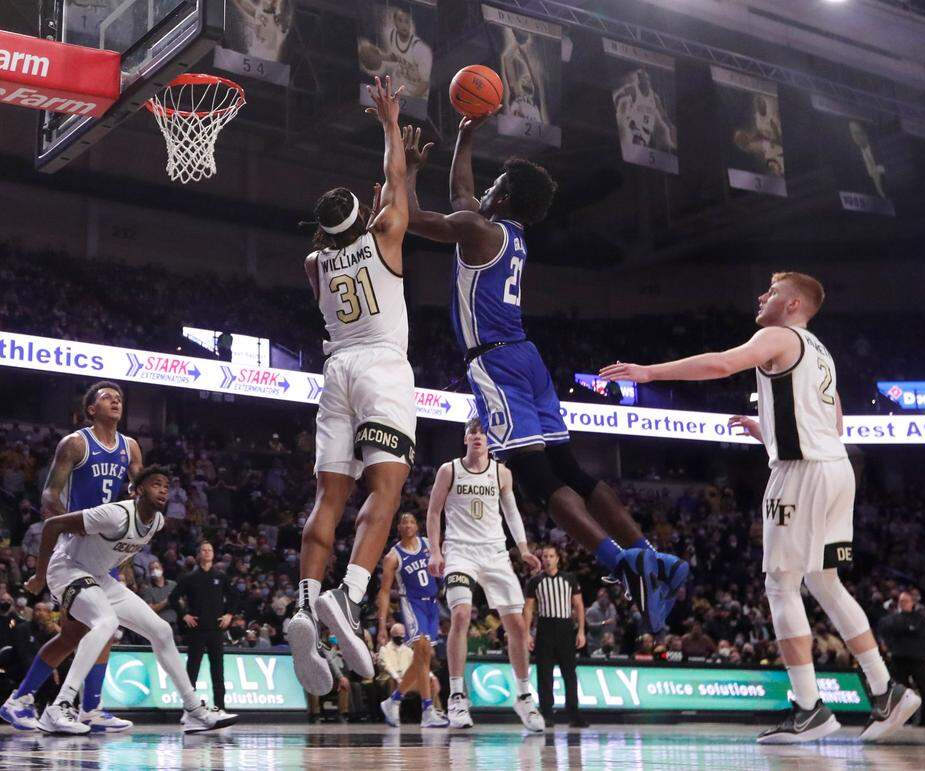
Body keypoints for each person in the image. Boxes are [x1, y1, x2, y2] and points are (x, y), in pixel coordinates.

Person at [600, 271, 921, 744]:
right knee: (824, 582)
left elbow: (721, 364)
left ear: (792, 305)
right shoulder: (820, 351)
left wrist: (649, 373)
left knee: (780, 584)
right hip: (836, 470)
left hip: (801, 473)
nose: (760, 296)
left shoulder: (778, 335)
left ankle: (809, 709)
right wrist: (767, 430)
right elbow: (833, 422)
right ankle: (885, 689)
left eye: (771, 292)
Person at [400, 121, 686, 633]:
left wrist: (409, 170)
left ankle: (623, 566)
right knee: (571, 470)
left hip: (496, 362)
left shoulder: (477, 229)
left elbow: (413, 219)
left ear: (504, 196)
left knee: (537, 479)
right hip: (528, 357)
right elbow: (463, 195)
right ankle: (650, 555)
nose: (484, 190)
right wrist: (466, 134)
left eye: (494, 185)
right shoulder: (509, 234)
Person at [285, 76, 416, 696]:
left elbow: (365, 214)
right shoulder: (386, 234)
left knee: (328, 498)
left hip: (335, 371)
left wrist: (371, 204)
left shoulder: (315, 262)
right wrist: (389, 123)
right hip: (381, 368)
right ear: (365, 216)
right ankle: (350, 594)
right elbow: (394, 179)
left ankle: (304, 606)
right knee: (385, 490)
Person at [7, 466, 230, 734]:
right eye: (156, 484)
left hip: (99, 576)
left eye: (166, 486)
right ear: (138, 490)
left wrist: (120, 571)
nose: (163, 490)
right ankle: (60, 706)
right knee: (106, 622)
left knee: (161, 630)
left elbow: (120, 548)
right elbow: (53, 525)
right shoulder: (116, 514)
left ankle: (193, 710)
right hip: (67, 568)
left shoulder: (157, 522)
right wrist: (40, 575)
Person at [0, 381, 142, 733]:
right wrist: (72, 523)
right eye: (107, 398)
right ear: (91, 409)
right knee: (85, 630)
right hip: (75, 548)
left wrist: (134, 518)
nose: (116, 402)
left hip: (105, 550)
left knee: (88, 631)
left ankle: (81, 707)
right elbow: (49, 494)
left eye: (119, 398)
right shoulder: (76, 443)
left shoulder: (130, 447)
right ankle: (33, 701)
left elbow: (141, 493)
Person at [424, 418, 543, 731]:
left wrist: (523, 549)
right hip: (459, 552)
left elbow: (511, 512)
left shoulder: (502, 472)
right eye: (473, 432)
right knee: (461, 615)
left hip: (495, 554)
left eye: (483, 433)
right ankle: (457, 697)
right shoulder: (449, 470)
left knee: (517, 625)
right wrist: (435, 551)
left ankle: (524, 697)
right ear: (465, 438)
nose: (477, 436)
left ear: (490, 440)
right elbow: (433, 512)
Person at [375, 512, 449, 728]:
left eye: (412, 522)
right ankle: (427, 710)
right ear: (398, 527)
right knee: (423, 652)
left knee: (422, 658)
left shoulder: (428, 544)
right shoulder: (393, 556)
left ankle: (394, 700)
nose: (408, 525)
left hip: (432, 605)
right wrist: (382, 624)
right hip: (412, 604)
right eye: (404, 522)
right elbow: (384, 591)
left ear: (417, 526)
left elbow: (442, 565)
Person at [164, 542, 238, 720]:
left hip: (216, 629)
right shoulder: (189, 577)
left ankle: (220, 708)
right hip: (197, 629)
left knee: (218, 669)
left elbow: (234, 596)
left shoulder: (220, 576)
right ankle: (188, 709)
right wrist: (184, 615)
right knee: (192, 670)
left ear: (213, 554)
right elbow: (173, 597)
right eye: (204, 550)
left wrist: (229, 614)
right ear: (199, 554)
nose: (207, 552)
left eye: (210, 550)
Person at [524, 545, 587, 727]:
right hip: (545, 627)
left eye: (551, 556)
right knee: (544, 673)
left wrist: (581, 631)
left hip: (565, 627)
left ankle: (573, 713)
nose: (548, 559)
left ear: (558, 558)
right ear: (542, 559)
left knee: (570, 672)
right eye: (545, 556)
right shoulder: (535, 581)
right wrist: (527, 633)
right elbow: (528, 609)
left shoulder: (569, 578)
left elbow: (579, 605)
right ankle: (546, 713)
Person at [878, 591, 925, 727]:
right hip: (899, 658)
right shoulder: (891, 619)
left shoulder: (921, 619)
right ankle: (902, 720)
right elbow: (884, 632)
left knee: (924, 689)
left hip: (918, 659)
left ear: (912, 603)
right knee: (901, 691)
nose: (903, 604)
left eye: (906, 601)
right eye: (901, 601)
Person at [359, 6, 432, 100]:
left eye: (406, 21)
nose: (403, 25)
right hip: (395, 91)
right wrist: (376, 57)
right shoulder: (390, 37)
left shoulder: (422, 50)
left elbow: (425, 84)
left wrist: (407, 102)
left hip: (415, 97)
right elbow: (392, 58)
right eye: (400, 21)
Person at [613, 68, 677, 152]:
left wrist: (670, 126)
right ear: (638, 80)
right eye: (640, 79)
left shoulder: (654, 97)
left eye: (644, 79)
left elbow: (663, 115)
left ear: (648, 81)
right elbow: (618, 95)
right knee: (636, 146)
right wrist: (616, 108)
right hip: (634, 126)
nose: (642, 82)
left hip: (647, 130)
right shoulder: (633, 89)